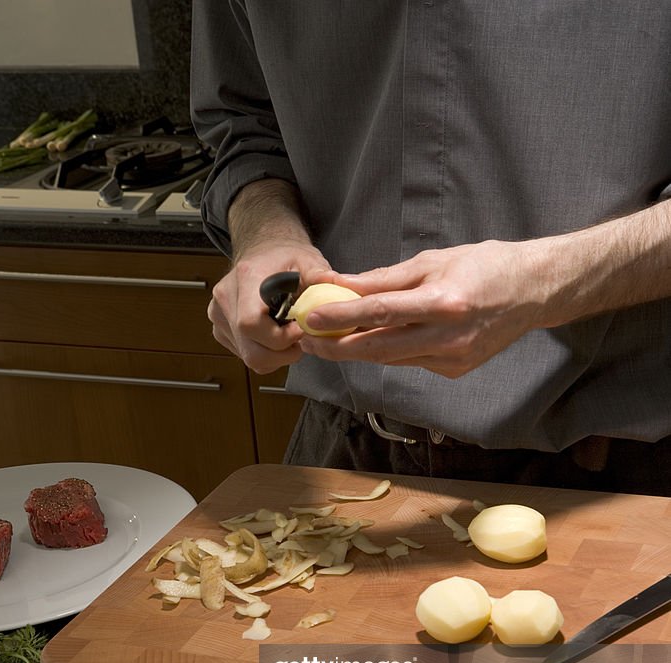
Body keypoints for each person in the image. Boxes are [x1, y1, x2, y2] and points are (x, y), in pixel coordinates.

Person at [190, 1, 671, 496]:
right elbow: (244, 129)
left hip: (622, 469)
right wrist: (267, 233)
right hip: (341, 448)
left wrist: (542, 282)